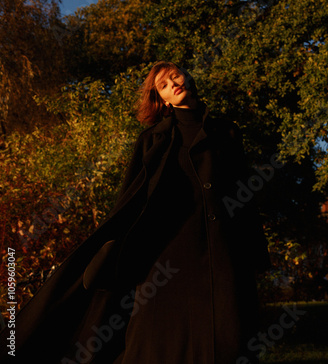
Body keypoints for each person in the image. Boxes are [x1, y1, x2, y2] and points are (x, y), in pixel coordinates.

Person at [0, 61, 270, 364]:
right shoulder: (152, 139)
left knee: (228, 340)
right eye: (164, 85)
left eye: (175, 76)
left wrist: (255, 254)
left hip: (221, 254)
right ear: (162, 100)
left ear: (188, 76)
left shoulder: (227, 133)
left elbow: (244, 196)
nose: (173, 84)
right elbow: (129, 202)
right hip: (165, 259)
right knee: (155, 344)